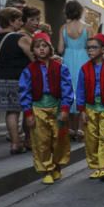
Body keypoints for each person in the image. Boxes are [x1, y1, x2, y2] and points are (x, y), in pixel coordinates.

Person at [19, 32, 73, 185]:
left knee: (59, 139)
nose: (41, 49)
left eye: (44, 46)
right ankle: (46, 169)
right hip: (38, 108)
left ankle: (57, 166)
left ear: (50, 48)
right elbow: (25, 91)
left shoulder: (60, 68)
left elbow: (67, 89)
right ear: (33, 50)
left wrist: (65, 109)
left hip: (56, 107)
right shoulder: (29, 70)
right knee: (41, 141)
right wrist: (28, 113)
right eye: (37, 47)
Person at [0, 7, 34, 154]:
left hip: (3, 77)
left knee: (12, 111)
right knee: (28, 110)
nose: (21, 23)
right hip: (20, 78)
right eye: (18, 20)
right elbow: (33, 57)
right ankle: (28, 140)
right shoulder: (19, 38)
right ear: (11, 21)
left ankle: (15, 143)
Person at [77, 33, 104, 180]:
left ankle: (103, 167)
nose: (90, 50)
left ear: (103, 49)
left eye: (94, 47)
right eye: (88, 48)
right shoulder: (84, 69)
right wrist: (82, 110)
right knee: (91, 138)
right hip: (90, 107)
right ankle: (95, 165)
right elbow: (80, 90)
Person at [57, 0, 90, 139]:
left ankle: (71, 127)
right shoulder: (87, 28)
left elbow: (59, 49)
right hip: (83, 58)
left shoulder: (63, 28)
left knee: (68, 90)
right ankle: (82, 128)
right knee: (83, 90)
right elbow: (92, 46)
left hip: (68, 59)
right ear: (80, 11)